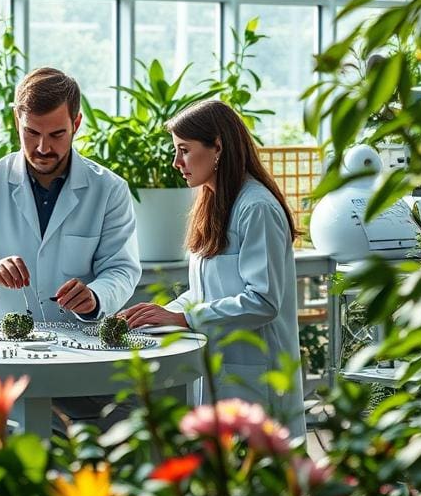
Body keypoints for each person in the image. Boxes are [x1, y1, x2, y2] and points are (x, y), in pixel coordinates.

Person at [0, 67, 140, 431]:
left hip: (79, 357)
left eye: (57, 134)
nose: (43, 147)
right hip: (1, 355)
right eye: (31, 133)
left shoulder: (109, 190)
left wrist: (96, 297)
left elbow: (122, 268)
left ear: (77, 123)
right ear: (16, 120)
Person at [120, 98, 306, 438]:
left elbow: (263, 301)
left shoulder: (257, 208)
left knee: (263, 477)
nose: (176, 162)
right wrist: (162, 312)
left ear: (217, 147)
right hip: (223, 368)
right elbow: (210, 290)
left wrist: (185, 318)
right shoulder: (214, 202)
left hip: (257, 375)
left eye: (184, 150)